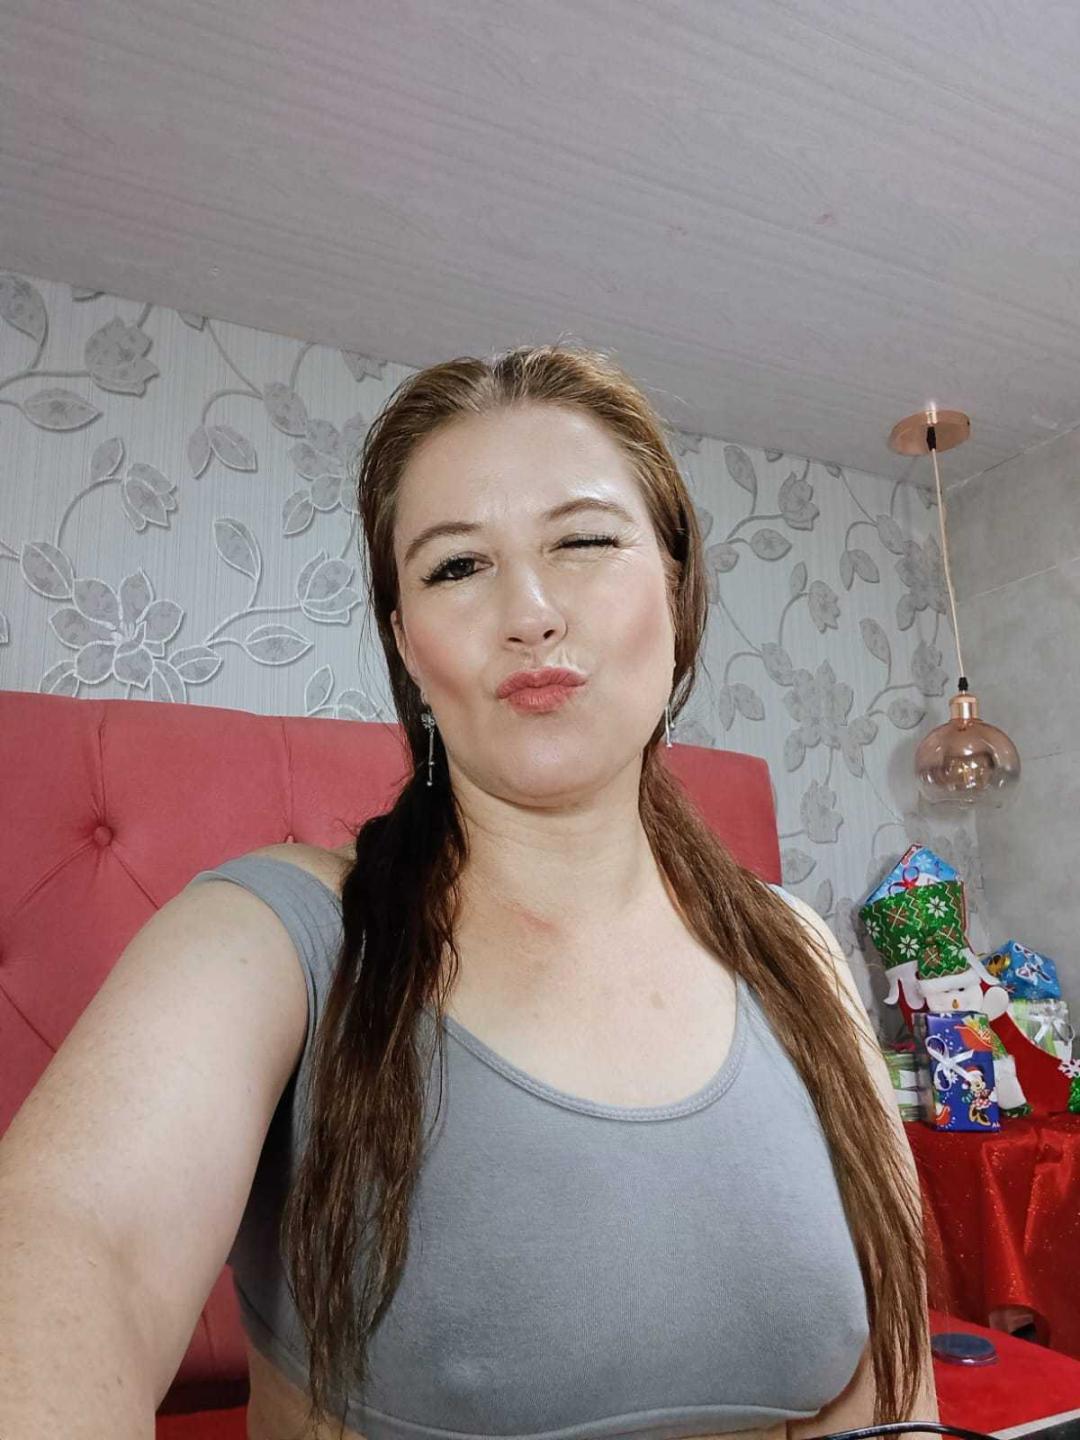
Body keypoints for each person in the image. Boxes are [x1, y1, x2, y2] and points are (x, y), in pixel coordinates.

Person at [0, 344, 938, 1440]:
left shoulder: (798, 950)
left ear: (677, 590)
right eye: (456, 567)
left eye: (583, 541)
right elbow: (77, 1249)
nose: (529, 612)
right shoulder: (273, 940)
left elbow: (894, 1397)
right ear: (407, 642)